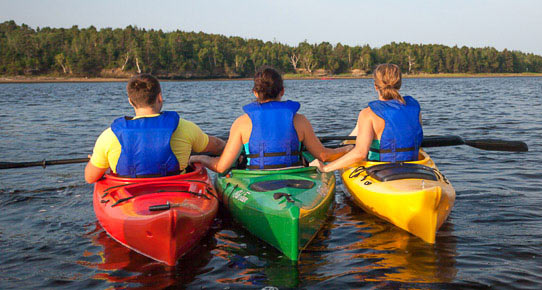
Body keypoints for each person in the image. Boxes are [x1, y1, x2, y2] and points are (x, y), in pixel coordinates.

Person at [189, 67, 351, 173]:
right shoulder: (300, 121)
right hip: (295, 181)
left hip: (256, 183)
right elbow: (323, 155)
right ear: (282, 91)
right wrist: (345, 149)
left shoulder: (242, 123)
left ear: (255, 92)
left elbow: (221, 166)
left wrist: (200, 158)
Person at [84, 74, 225, 183]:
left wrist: (95, 161)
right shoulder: (185, 127)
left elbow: (90, 178)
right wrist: (228, 147)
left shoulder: (109, 136)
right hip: (178, 192)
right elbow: (217, 146)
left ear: (130, 101)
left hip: (129, 197)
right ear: (160, 97)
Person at [310, 63, 423, 172]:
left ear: (375, 86)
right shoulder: (414, 107)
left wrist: (326, 168)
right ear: (399, 84)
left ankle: (346, 145)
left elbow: (360, 153)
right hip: (413, 166)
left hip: (382, 170)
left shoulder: (368, 114)